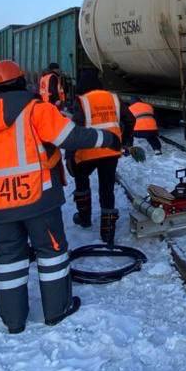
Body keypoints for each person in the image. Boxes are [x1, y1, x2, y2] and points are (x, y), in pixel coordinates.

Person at [0, 60, 119, 333]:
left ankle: (13, 320)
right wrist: (107, 139)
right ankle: (57, 311)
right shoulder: (35, 111)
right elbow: (70, 137)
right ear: (22, 82)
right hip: (38, 199)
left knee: (8, 259)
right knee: (51, 253)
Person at [68, 68, 135, 245]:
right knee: (107, 189)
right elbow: (130, 119)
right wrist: (126, 140)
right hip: (110, 151)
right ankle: (108, 233)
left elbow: (74, 130)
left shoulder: (81, 101)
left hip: (87, 151)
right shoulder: (113, 98)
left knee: (81, 181)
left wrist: (70, 156)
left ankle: (84, 217)